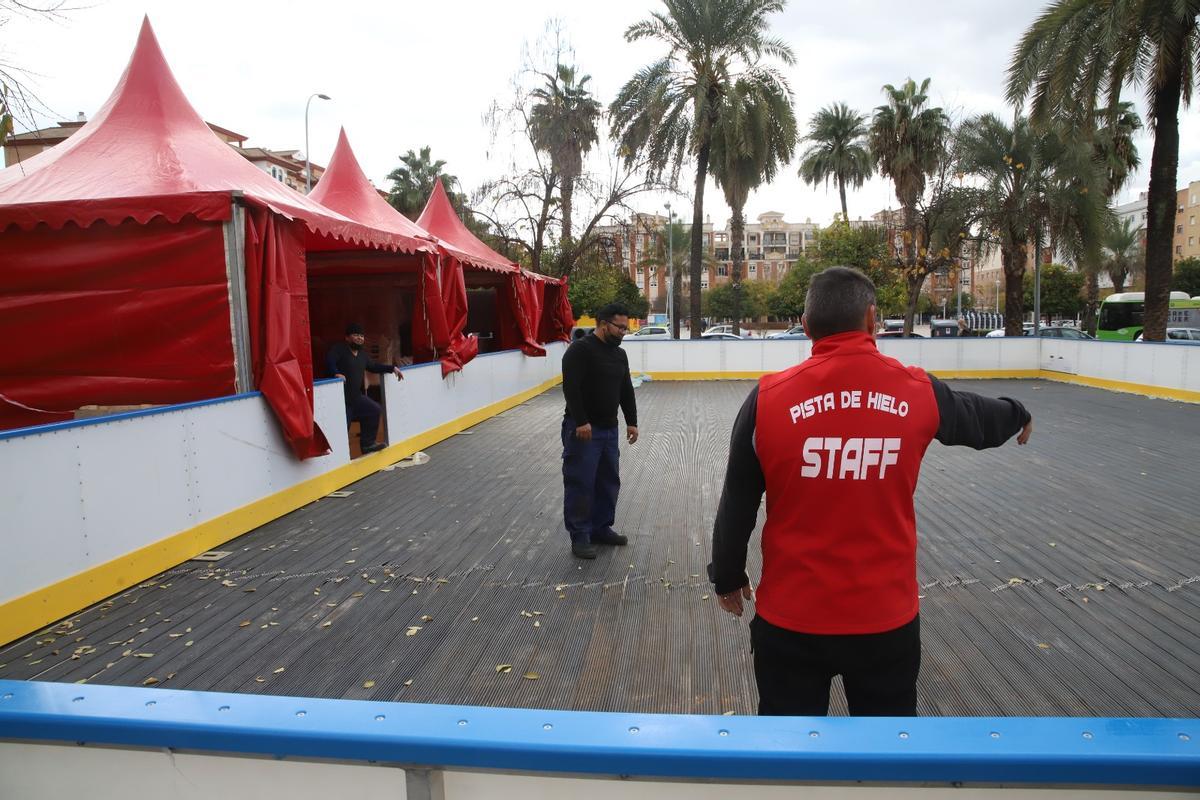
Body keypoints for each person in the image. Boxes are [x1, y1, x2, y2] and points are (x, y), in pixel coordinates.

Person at [708, 267, 1033, 716]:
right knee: (888, 757)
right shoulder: (918, 391)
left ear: (806, 327)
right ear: (872, 320)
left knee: (789, 758)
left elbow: (737, 501)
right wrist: (1017, 412)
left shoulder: (767, 399)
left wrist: (726, 576)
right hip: (885, 623)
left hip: (791, 620)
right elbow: (977, 420)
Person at [560, 303, 639, 559]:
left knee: (608, 481)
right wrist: (581, 421)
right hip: (583, 430)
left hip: (609, 430)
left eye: (626, 328)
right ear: (604, 324)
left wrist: (631, 421)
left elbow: (625, 389)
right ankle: (580, 535)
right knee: (581, 482)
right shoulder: (580, 351)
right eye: (620, 328)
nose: (623, 333)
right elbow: (571, 388)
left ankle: (601, 528)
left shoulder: (620, 355)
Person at [327, 323, 403, 455]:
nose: (360, 338)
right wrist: (336, 373)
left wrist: (392, 368)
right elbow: (330, 361)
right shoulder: (339, 349)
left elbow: (373, 367)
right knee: (342, 430)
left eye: (361, 336)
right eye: (356, 335)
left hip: (356, 397)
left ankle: (367, 444)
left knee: (374, 409)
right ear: (347, 338)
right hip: (341, 401)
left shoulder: (362, 355)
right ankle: (337, 458)